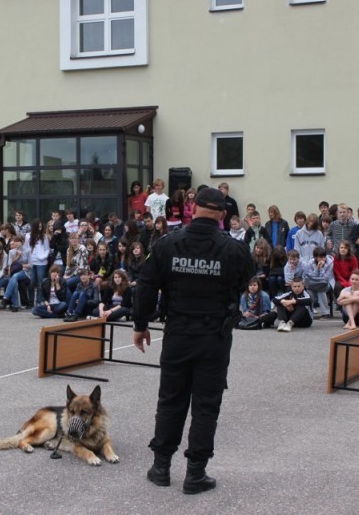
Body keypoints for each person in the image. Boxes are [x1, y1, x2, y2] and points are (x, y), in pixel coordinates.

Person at [132, 187, 253, 495]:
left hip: (178, 334)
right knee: (206, 405)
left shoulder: (166, 244)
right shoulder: (234, 249)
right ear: (223, 215)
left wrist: (140, 325)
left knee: (171, 399)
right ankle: (195, 474)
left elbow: (146, 286)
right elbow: (244, 282)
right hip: (214, 336)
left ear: (193, 208)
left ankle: (161, 468)